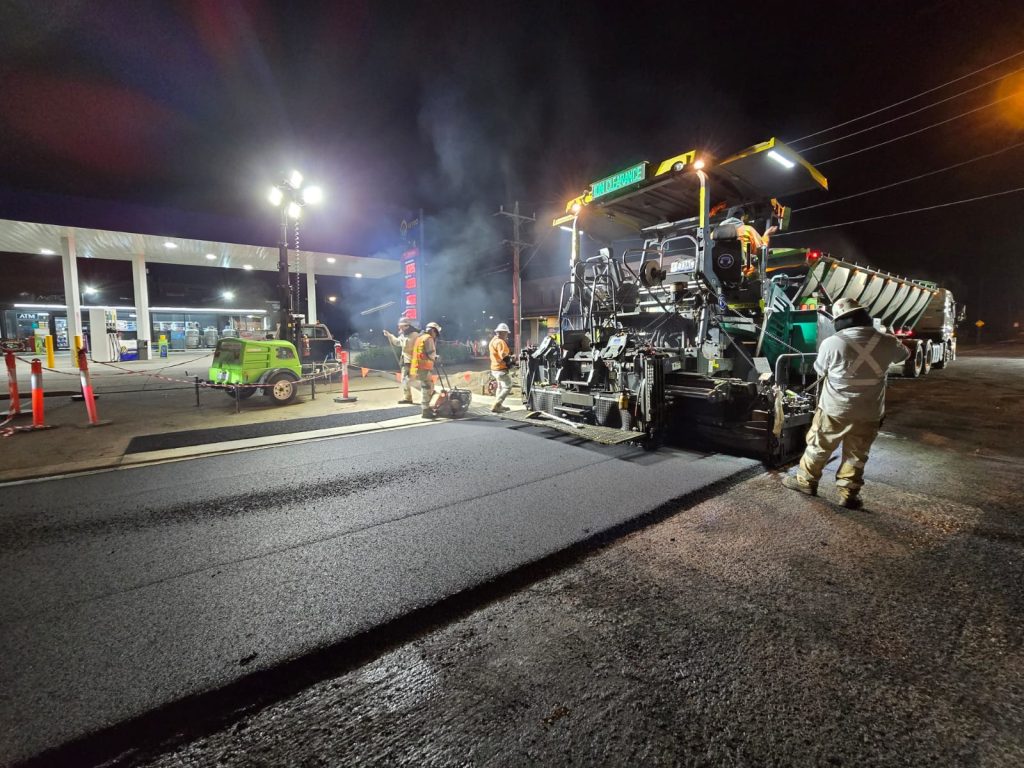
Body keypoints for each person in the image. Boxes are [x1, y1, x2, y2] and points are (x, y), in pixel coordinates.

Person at [782, 297, 910, 509]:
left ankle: (806, 482)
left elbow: (820, 369)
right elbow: (904, 355)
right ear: (864, 316)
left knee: (819, 447)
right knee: (857, 454)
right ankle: (849, 493)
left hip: (834, 409)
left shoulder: (832, 343)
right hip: (869, 412)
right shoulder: (888, 342)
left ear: (839, 321)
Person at [383, 317, 420, 404]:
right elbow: (397, 342)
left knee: (410, 379)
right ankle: (408, 397)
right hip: (405, 360)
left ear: (407, 326)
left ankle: (427, 393)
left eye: (401, 326)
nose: (400, 328)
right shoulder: (404, 335)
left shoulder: (414, 335)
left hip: (412, 361)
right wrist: (389, 335)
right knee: (405, 379)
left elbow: (408, 346)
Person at [410, 321, 442, 419]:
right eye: (436, 333)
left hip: (418, 367)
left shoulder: (420, 338)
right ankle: (425, 411)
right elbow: (431, 353)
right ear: (433, 330)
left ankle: (427, 407)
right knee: (427, 388)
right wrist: (436, 357)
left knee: (428, 387)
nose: (436, 335)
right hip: (424, 368)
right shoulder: (428, 339)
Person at [488, 322, 514, 414]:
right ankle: (497, 405)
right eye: (506, 333)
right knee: (508, 386)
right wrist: (512, 362)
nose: (507, 335)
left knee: (499, 386)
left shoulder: (493, 341)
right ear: (502, 333)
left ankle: (499, 405)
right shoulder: (500, 342)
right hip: (501, 369)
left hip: (494, 369)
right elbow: (504, 356)